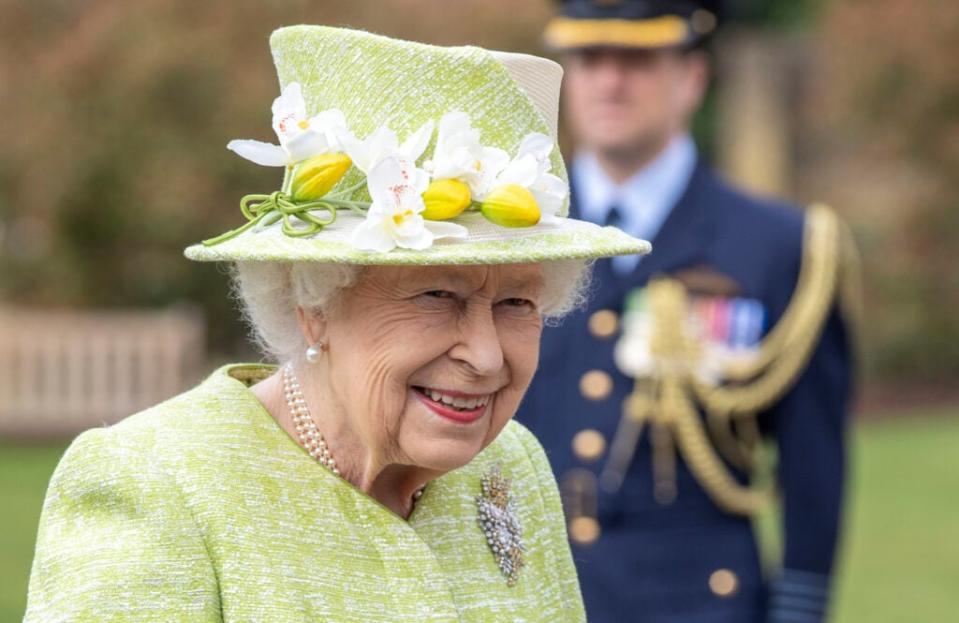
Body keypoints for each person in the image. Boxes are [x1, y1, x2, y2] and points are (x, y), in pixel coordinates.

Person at [24, 25, 650, 622]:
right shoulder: (155, 483)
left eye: (517, 304)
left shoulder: (512, 464)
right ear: (312, 304)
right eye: (436, 294)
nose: (486, 356)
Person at [518, 2, 858, 622]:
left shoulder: (778, 245)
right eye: (590, 58)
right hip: (530, 592)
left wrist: (801, 608)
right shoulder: (518, 233)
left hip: (700, 602)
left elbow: (814, 463)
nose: (610, 81)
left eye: (639, 59)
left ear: (692, 78)